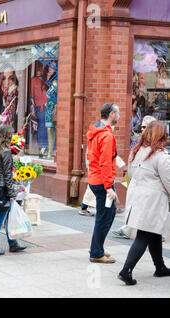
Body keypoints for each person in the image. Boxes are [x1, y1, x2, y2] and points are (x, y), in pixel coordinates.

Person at [118, 120, 170, 285]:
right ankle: (126, 271)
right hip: (153, 200)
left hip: (138, 197)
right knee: (144, 235)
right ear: (162, 136)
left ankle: (160, 267)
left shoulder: (136, 151)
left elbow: (132, 173)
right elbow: (169, 181)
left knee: (153, 232)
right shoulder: (161, 156)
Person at [112, 115, 157, 239]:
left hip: (148, 184)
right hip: (137, 180)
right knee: (135, 204)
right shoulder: (141, 143)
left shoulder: (155, 147)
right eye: (141, 127)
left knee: (145, 208)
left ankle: (154, 232)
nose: (141, 129)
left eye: (143, 127)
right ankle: (129, 228)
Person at [86, 102, 120, 263]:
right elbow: (105, 162)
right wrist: (109, 187)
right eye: (117, 113)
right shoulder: (106, 135)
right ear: (111, 114)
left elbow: (91, 156)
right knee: (105, 215)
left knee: (107, 213)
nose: (119, 116)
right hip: (102, 181)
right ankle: (96, 252)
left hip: (95, 178)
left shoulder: (96, 131)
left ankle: (96, 246)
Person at [0, 124, 27, 255]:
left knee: (8, 217)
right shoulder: (6, 152)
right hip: (4, 189)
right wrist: (12, 192)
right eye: (11, 135)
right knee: (0, 219)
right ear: (7, 137)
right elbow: (8, 174)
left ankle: (13, 243)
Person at [30, 62, 49, 156]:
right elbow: (32, 96)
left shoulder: (46, 81)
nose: (39, 71)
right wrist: (33, 109)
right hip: (40, 107)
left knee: (48, 127)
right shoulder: (34, 80)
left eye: (41, 68)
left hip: (48, 106)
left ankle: (46, 148)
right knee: (42, 127)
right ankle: (42, 148)